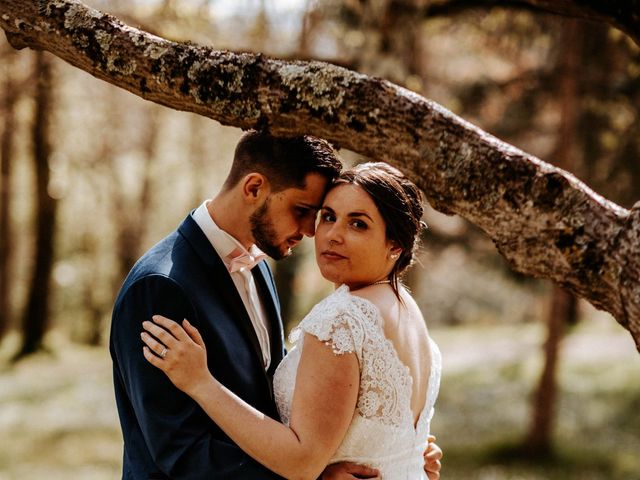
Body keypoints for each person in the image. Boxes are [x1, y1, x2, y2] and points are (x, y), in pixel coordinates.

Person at [110, 131, 441, 479]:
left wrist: (396, 449)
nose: (313, 232)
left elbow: (290, 388)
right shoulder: (161, 286)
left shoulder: (260, 267)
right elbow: (180, 451)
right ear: (254, 188)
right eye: (306, 211)